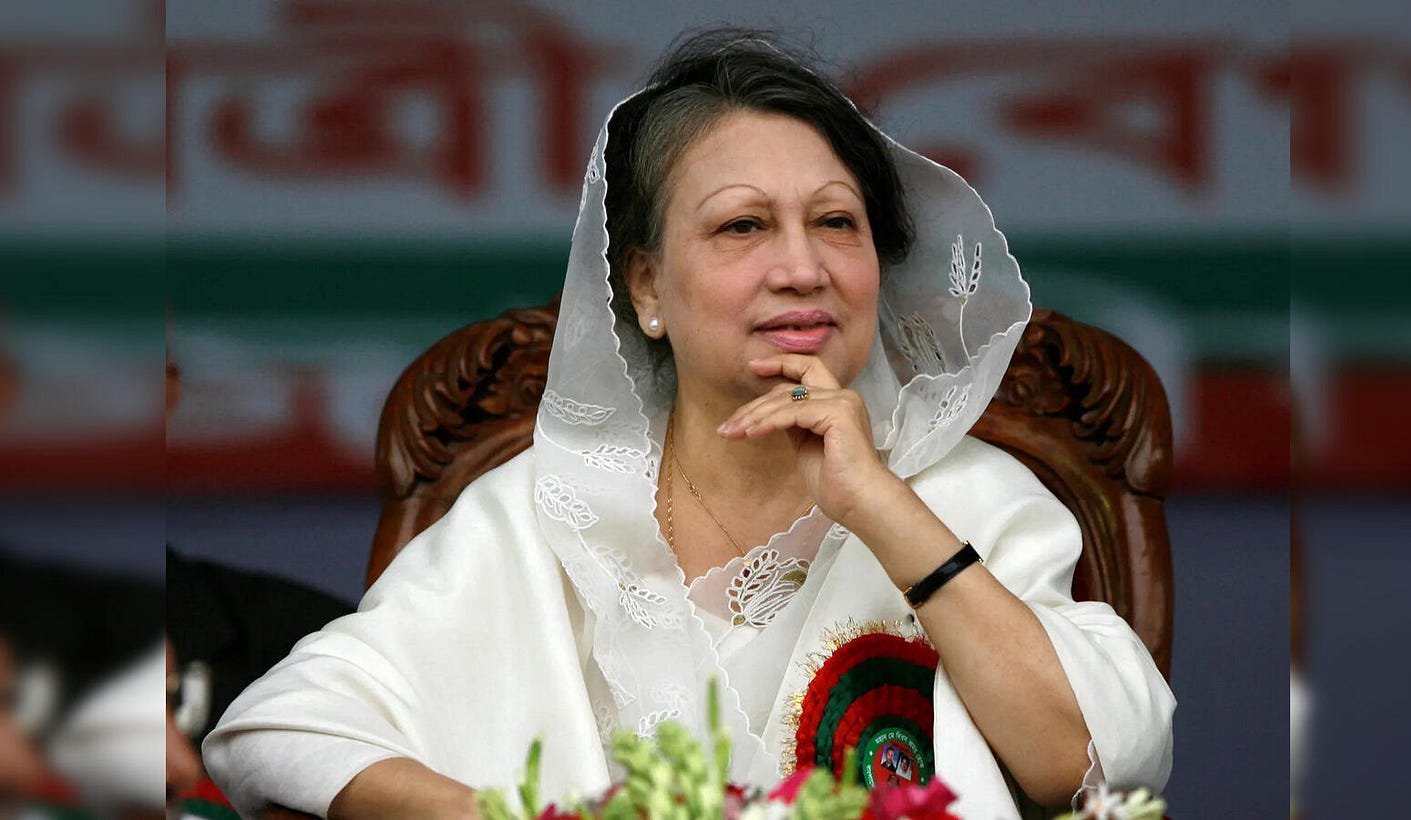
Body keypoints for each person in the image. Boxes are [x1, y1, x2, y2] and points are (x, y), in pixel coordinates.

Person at [203, 30, 1174, 819]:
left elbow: (1084, 764)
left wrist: (881, 506)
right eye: (742, 226)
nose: (802, 268)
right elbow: (281, 725)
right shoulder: (540, 510)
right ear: (646, 287)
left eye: (837, 223)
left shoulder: (971, 497)